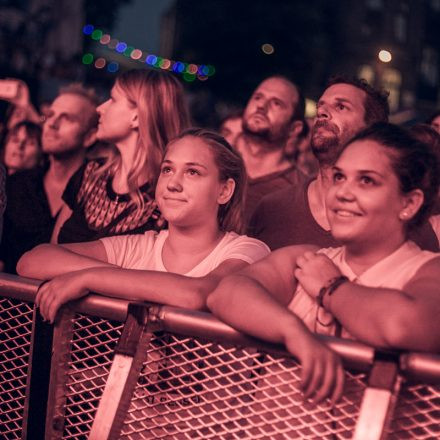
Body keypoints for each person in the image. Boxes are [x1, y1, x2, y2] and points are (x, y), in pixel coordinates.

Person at [18, 128, 343, 402]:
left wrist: (89, 279)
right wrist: (99, 277)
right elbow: (33, 260)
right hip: (129, 420)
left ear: (224, 190)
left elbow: (197, 294)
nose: (173, 183)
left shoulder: (246, 249)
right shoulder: (139, 246)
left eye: (193, 172)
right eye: (168, 170)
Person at [208, 122, 440, 357]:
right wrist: (295, 333)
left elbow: (407, 326)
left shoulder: (428, 269)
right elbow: (225, 294)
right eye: (339, 177)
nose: (342, 193)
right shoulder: (305, 259)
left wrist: (331, 288)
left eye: (367, 181)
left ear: (408, 203)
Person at [249, 76, 439, 252]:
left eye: (341, 107)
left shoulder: (406, 223)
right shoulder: (273, 208)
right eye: (320, 107)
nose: (322, 112)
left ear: (370, 129)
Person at [53, 69, 191, 244]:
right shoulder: (91, 173)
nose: (100, 108)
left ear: (137, 116)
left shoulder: (168, 195)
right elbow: (52, 247)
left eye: (113, 99)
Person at [0, 83, 99, 273]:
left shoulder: (100, 197)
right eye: (50, 115)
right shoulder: (18, 184)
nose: (52, 124)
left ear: (90, 136)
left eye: (67, 118)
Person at [235, 75, 308, 223]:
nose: (261, 106)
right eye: (258, 97)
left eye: (276, 103)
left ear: (294, 128)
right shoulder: (211, 162)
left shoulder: (300, 192)